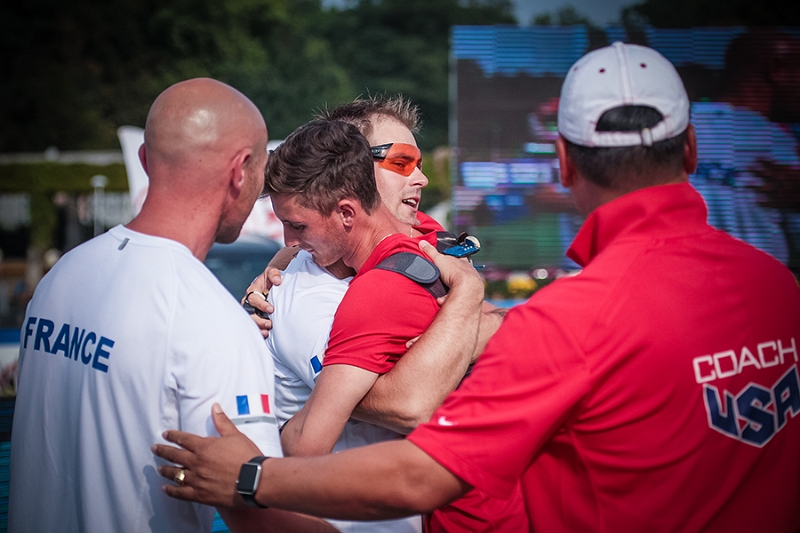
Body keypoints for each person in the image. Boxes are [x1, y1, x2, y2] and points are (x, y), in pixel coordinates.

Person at [154, 43, 800, 531]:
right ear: (688, 149)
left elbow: (418, 472)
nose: (418, 181)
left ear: (564, 162)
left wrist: (247, 474)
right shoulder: (779, 289)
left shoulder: (571, 320)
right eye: (399, 162)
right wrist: (294, 256)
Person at [9, 78, 336, 533]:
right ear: (241, 171)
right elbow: (260, 519)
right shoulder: (210, 320)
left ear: (144, 160)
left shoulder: (62, 275)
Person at [245, 97, 522, 532]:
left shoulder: (416, 238)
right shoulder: (311, 295)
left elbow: (505, 324)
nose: (422, 176)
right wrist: (462, 307)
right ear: (357, 171)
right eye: (401, 161)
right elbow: (405, 403)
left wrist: (466, 307)